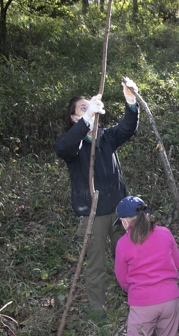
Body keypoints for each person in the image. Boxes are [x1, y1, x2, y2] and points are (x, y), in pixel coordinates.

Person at [54, 78, 140, 319]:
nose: (89, 108)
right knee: (96, 267)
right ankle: (98, 316)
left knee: (130, 257)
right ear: (73, 118)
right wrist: (84, 122)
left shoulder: (104, 136)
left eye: (90, 106)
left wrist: (131, 102)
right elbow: (61, 149)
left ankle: (137, 300)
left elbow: (127, 128)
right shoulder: (75, 143)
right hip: (93, 214)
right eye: (83, 107)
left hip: (119, 212)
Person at [114, 196, 179, 336]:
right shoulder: (164, 233)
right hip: (170, 299)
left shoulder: (123, 243)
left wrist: (136, 291)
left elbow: (122, 279)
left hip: (142, 305)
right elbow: (178, 263)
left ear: (125, 221)